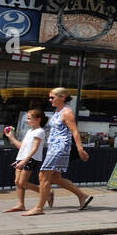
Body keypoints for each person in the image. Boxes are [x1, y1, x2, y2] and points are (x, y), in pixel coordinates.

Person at [23, 87, 92, 215]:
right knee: (55, 177)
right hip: (53, 147)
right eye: (49, 97)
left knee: (43, 175)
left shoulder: (67, 112)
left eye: (52, 97)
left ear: (62, 97)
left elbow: (74, 131)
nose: (50, 100)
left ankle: (39, 208)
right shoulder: (57, 111)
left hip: (60, 147)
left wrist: (80, 148)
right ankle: (82, 196)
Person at [3, 109, 52, 213]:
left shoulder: (40, 131)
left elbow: (34, 149)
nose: (27, 121)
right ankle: (20, 205)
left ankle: (46, 193)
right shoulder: (30, 131)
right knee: (17, 182)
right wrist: (11, 137)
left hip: (30, 159)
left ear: (38, 119)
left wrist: (24, 161)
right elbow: (21, 147)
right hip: (21, 158)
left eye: (29, 118)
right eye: (27, 118)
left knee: (22, 182)